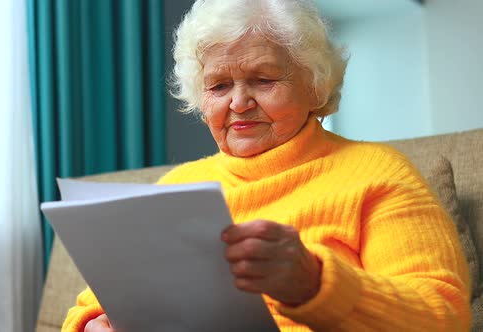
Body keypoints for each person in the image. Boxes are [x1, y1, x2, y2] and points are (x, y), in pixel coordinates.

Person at [63, 0, 471, 331]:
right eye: (219, 86)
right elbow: (89, 306)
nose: (238, 103)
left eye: (263, 80)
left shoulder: (378, 174)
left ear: (314, 85)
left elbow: (442, 317)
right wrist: (93, 326)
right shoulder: (178, 185)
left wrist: (314, 282)